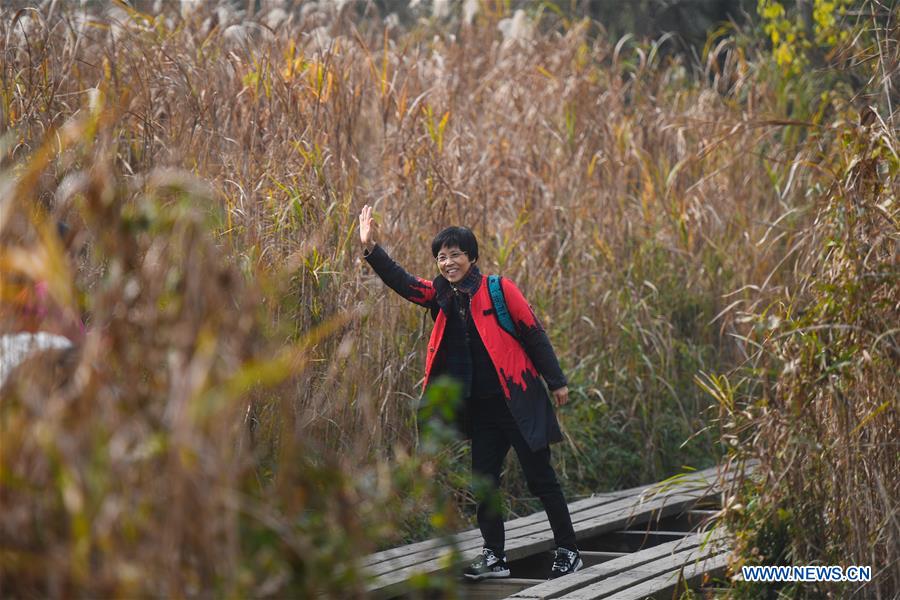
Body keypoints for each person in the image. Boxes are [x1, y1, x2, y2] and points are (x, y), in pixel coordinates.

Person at [358, 205, 582, 580]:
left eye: (455, 255)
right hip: (481, 411)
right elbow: (403, 282)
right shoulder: (440, 295)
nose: (448, 263)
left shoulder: (499, 289)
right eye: (442, 257)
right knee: (484, 484)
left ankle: (569, 551)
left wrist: (556, 381)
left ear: (472, 257)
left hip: (518, 402)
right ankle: (494, 557)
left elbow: (533, 332)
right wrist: (371, 249)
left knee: (541, 479)